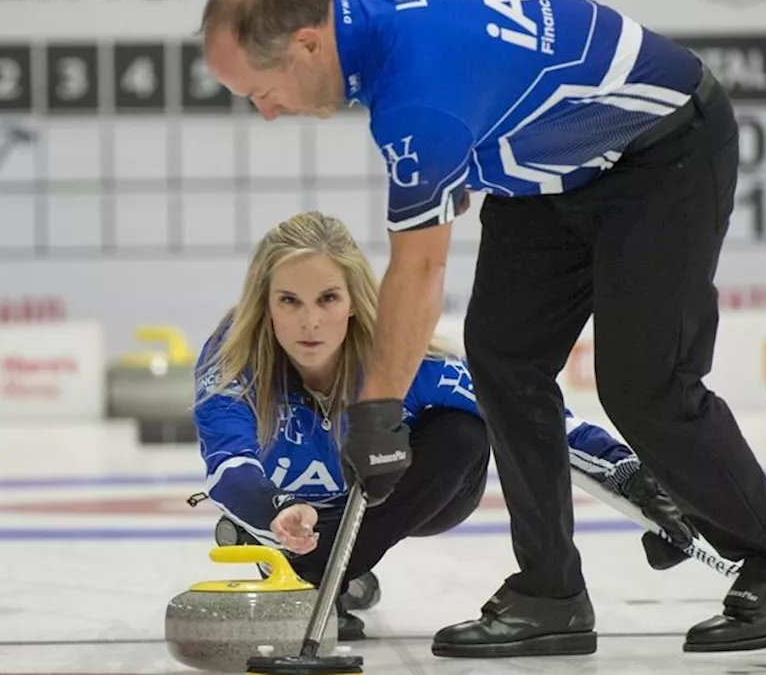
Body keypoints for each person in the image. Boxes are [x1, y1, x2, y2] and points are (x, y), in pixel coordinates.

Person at [197, 0, 766, 658]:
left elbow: (419, 269)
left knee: (646, 384)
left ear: (306, 44)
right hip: (549, 163)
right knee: (504, 357)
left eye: (261, 92)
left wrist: (376, 412)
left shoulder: (418, 100)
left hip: (662, 151)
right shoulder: (365, 1)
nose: (265, 112)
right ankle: (550, 593)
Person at [191, 210, 694, 642]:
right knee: (266, 512)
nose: (310, 323)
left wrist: (635, 479)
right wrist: (274, 510)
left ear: (353, 301)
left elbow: (530, 415)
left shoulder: (400, 360)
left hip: (398, 500)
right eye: (289, 301)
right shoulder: (233, 363)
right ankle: (327, 565)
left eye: (327, 299)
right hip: (290, 512)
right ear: (265, 302)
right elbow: (228, 465)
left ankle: (321, 573)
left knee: (464, 430)